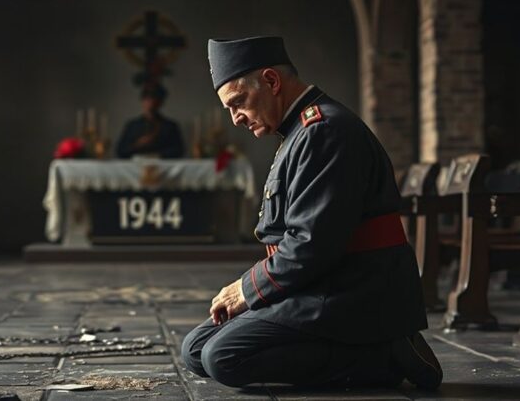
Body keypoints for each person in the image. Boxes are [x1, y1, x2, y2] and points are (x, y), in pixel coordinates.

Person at [180, 36, 443, 389]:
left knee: (222, 357)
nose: (236, 119)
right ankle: (364, 350)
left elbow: (311, 246)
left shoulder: (324, 131)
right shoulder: (300, 132)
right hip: (319, 284)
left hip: (353, 294)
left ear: (272, 81)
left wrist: (246, 289)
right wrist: (251, 291)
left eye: (239, 102)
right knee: (195, 349)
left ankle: (385, 354)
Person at [115, 83, 184, 159]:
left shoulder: (170, 126)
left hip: (162, 166)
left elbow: (179, 150)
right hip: (136, 167)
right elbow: (120, 151)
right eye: (147, 99)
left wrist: (158, 155)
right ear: (142, 101)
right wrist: (137, 145)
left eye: (154, 99)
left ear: (160, 103)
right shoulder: (132, 126)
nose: (151, 103)